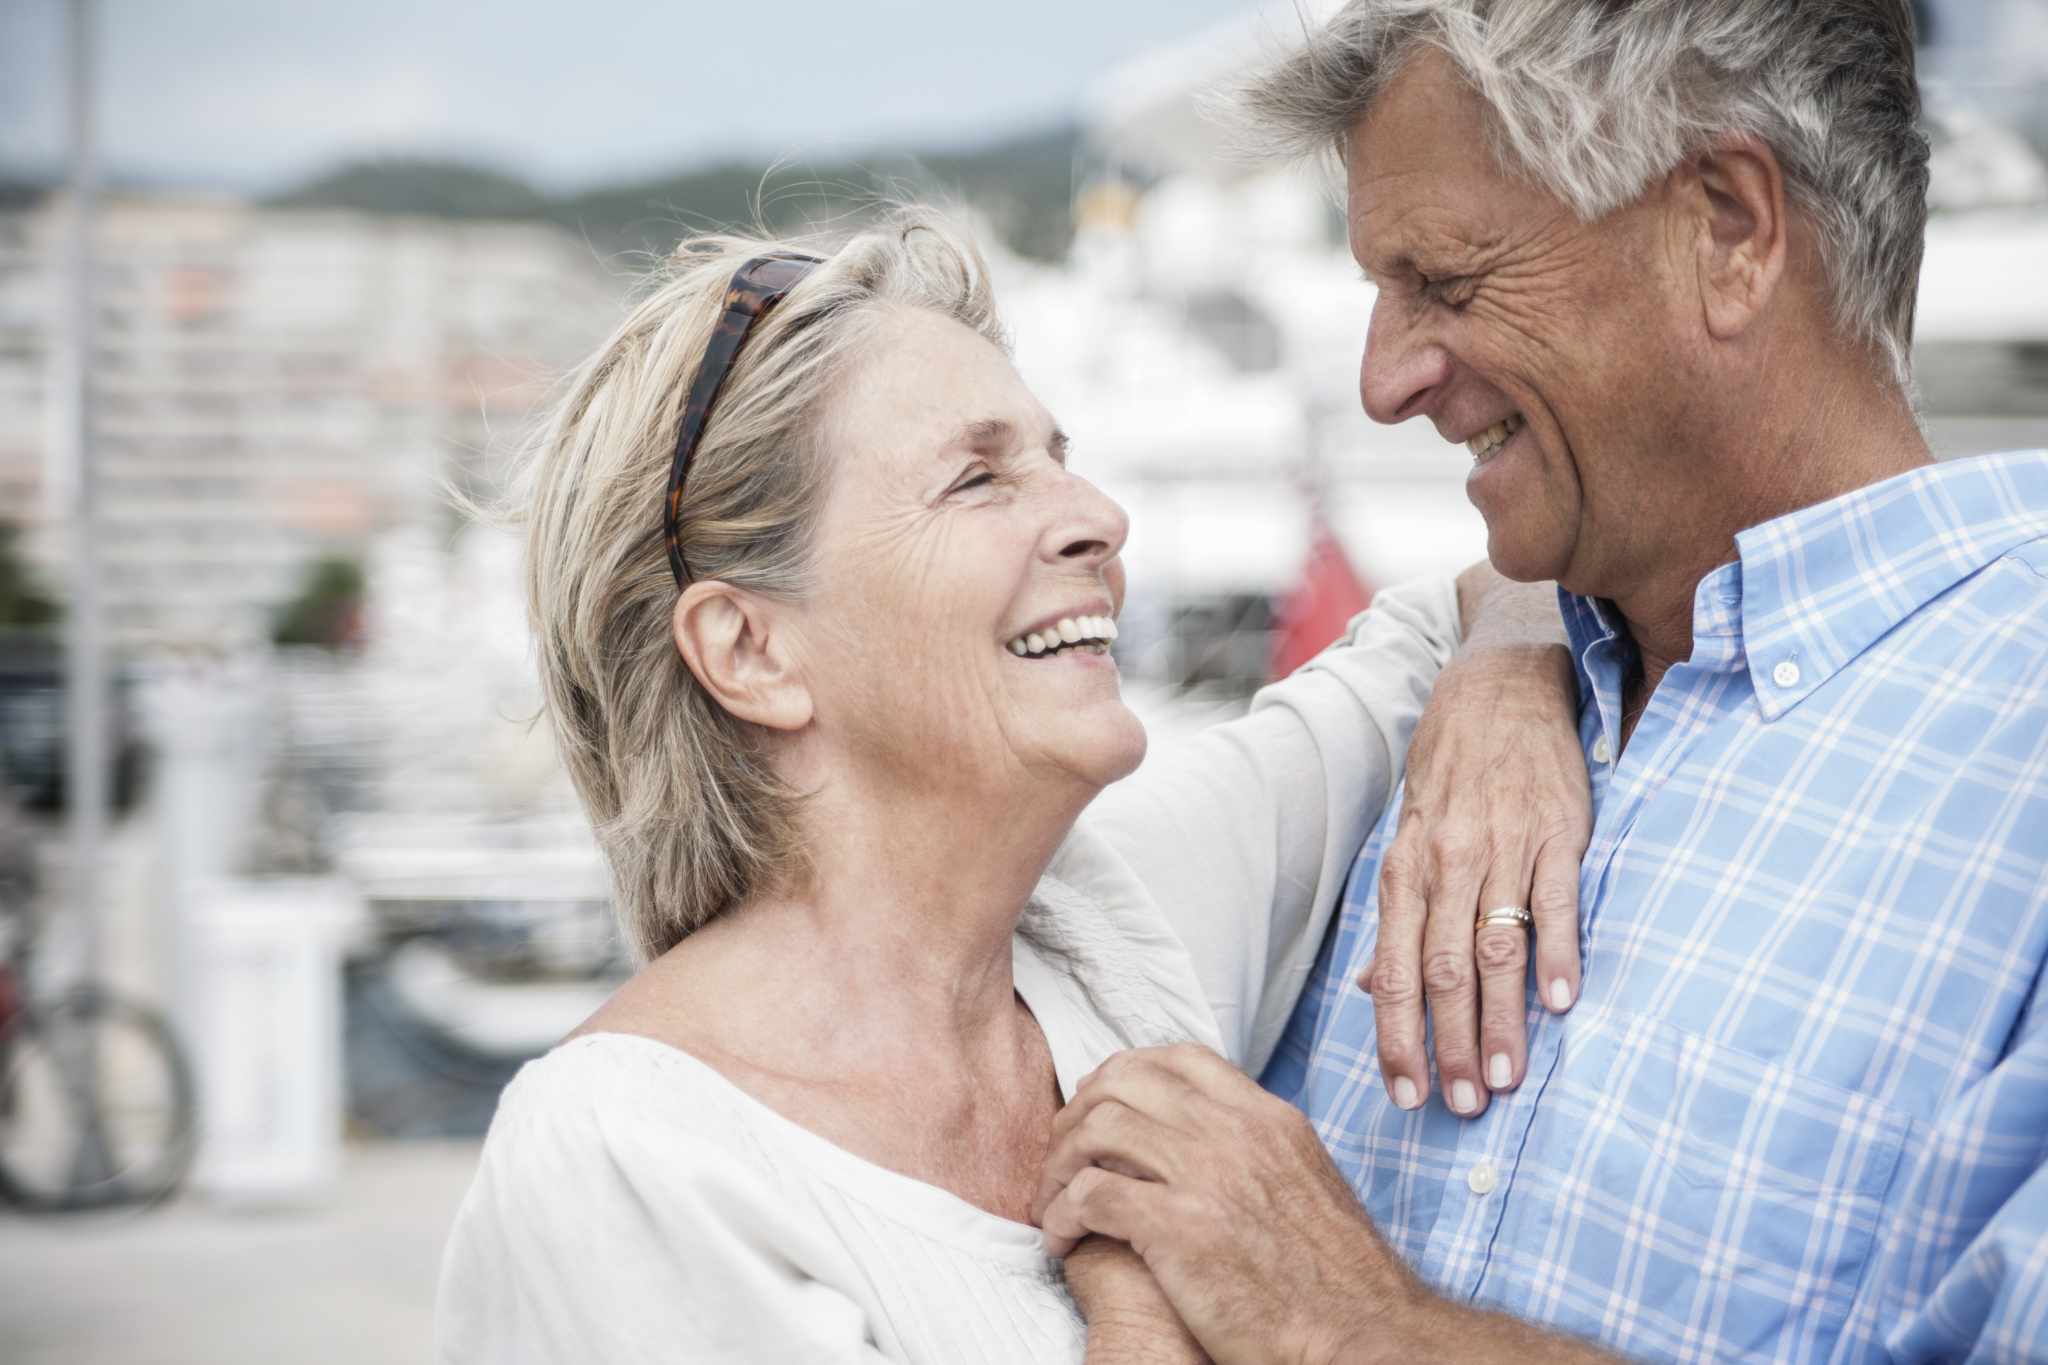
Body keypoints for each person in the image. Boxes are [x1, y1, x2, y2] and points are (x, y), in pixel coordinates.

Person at [1035, 2, 2048, 1362]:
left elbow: (1279, 1268)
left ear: (1731, 231)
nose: (1383, 380)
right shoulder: (1446, 691)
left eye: (1444, 284)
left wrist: (1352, 1325)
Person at [431, 211, 1587, 1363]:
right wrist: (1143, 1314)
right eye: (977, 480)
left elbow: (1476, 600)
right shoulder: (622, 1161)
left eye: (1058, 458)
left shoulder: (1107, 923)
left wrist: (1499, 690)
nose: (1096, 519)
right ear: (749, 650)